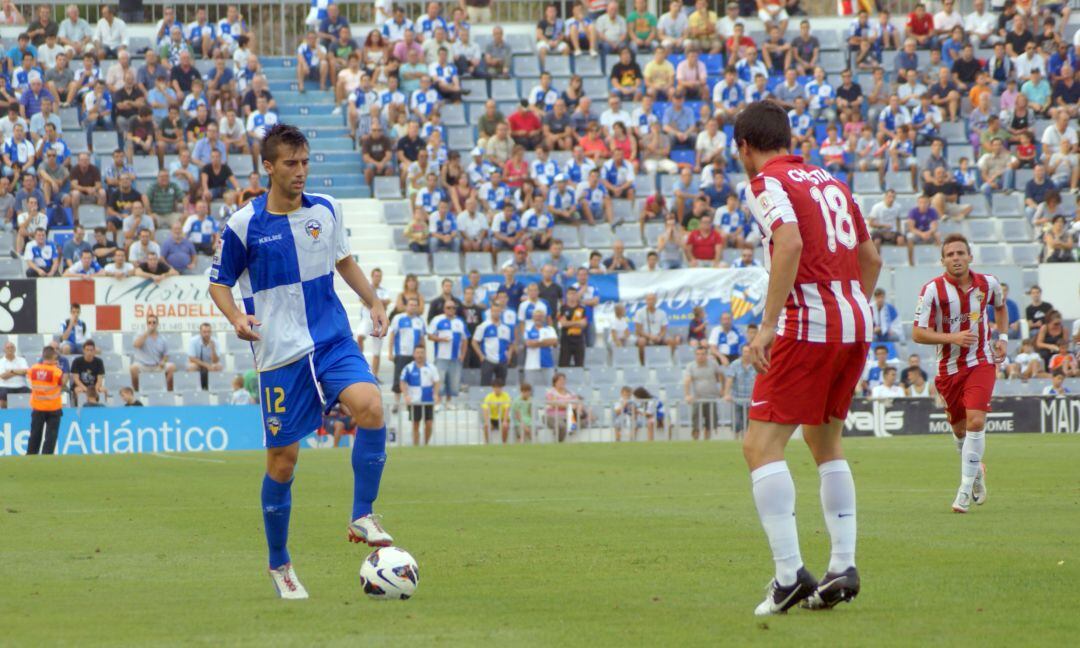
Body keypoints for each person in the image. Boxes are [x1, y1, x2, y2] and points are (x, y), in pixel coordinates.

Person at [208, 124, 393, 598]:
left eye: (305, 162)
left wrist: (373, 301)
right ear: (268, 167)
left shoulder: (326, 210)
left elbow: (344, 261)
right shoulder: (243, 224)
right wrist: (235, 318)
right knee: (283, 463)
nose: (300, 171)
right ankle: (279, 563)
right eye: (290, 163)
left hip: (331, 340)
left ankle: (362, 514)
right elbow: (218, 283)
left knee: (371, 406)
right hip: (279, 356)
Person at [735, 100, 882, 615]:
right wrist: (849, 307)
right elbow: (871, 257)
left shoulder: (766, 183)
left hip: (810, 322)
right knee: (826, 441)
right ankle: (843, 563)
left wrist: (769, 325)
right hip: (857, 319)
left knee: (760, 445)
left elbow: (789, 242)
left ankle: (788, 574)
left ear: (745, 148)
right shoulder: (832, 181)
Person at [912, 233, 1006, 514]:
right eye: (950, 254)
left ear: (970, 257)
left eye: (960, 253)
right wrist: (952, 338)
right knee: (959, 429)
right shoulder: (932, 290)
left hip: (981, 361)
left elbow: (1000, 308)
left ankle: (964, 489)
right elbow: (917, 333)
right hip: (948, 369)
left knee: (976, 421)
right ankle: (976, 473)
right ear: (943, 261)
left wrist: (1002, 338)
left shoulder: (988, 284)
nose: (956, 258)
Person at [387, 296, 426, 408]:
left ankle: (411, 403)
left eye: (415, 305)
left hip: (416, 356)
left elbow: (422, 339)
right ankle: (397, 403)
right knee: (398, 378)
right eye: (411, 304)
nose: (413, 307)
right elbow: (392, 336)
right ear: (406, 306)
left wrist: (424, 354)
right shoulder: (398, 318)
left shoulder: (420, 321)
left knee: (413, 379)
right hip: (401, 354)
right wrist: (390, 352)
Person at [26, 346, 65, 455]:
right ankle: (46, 457)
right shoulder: (57, 372)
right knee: (51, 436)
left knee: (35, 434)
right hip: (54, 407)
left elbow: (28, 374)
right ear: (54, 356)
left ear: (43, 356)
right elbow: (61, 385)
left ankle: (30, 456)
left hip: (38, 407)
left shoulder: (33, 369)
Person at [400, 345, 440, 447]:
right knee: (415, 425)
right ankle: (416, 446)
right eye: (417, 353)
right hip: (414, 401)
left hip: (428, 400)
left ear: (425, 354)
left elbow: (437, 382)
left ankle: (426, 444)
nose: (420, 355)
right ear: (414, 354)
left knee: (429, 424)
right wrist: (406, 395)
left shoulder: (431, 367)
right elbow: (402, 382)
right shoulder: (408, 368)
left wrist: (435, 394)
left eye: (422, 352)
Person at [428, 300, 467, 403]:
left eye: (453, 308)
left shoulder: (460, 321)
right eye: (448, 307)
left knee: (453, 382)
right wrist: (441, 339)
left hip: (455, 357)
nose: (451, 310)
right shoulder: (437, 320)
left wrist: (462, 355)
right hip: (441, 356)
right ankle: (438, 402)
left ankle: (449, 402)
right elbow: (429, 336)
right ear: (444, 308)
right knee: (439, 381)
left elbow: (465, 339)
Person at [683, 345, 723, 440]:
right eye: (698, 354)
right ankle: (695, 442)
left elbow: (721, 376)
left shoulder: (713, 364)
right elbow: (687, 381)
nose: (700, 356)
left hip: (711, 398)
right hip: (697, 399)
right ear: (695, 355)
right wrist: (687, 395)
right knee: (696, 424)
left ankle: (707, 442)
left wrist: (723, 390)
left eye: (702, 354)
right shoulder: (691, 366)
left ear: (706, 355)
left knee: (709, 425)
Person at [472, 300, 513, 386]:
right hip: (488, 360)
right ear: (490, 312)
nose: (496, 313)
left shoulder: (506, 328)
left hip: (502, 361)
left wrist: (509, 355)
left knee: (501, 387)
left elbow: (511, 343)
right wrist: (481, 356)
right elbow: (474, 342)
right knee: (485, 386)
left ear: (501, 312)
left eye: (498, 311)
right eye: (494, 311)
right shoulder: (483, 326)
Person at [70, 339, 107, 406]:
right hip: (81, 386)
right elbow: (76, 379)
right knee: (78, 390)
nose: (89, 352)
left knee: (104, 390)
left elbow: (100, 380)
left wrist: (94, 390)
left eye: (91, 350)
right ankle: (80, 410)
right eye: (87, 350)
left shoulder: (99, 362)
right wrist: (87, 390)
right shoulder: (77, 361)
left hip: (94, 386)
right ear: (83, 350)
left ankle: (102, 410)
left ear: (94, 351)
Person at [558, 289, 588, 367]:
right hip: (566, 340)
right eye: (570, 294)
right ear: (567, 295)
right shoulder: (562, 308)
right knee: (564, 364)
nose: (572, 296)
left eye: (574, 294)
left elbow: (584, 324)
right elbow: (563, 323)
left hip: (579, 340)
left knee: (579, 365)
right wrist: (577, 322)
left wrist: (569, 323)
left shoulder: (582, 308)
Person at [0, 340, 30, 409]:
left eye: (12, 347)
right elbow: (3, 376)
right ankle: (4, 413)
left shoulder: (22, 360)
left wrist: (11, 371)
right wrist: (18, 372)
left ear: (15, 349)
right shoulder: (1, 361)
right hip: (5, 386)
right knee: (2, 395)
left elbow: (25, 371)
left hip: (21, 385)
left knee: (31, 393)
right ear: (4, 350)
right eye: (8, 348)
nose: (10, 349)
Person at [481, 377, 512, 444]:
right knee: (486, 427)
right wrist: (487, 421)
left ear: (502, 388)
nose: (497, 389)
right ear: (493, 388)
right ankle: (487, 443)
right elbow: (485, 409)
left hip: (502, 418)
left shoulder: (506, 396)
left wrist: (505, 421)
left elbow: (507, 409)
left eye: (499, 387)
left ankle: (504, 443)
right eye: (495, 387)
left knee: (505, 427)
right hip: (492, 418)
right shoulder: (489, 396)